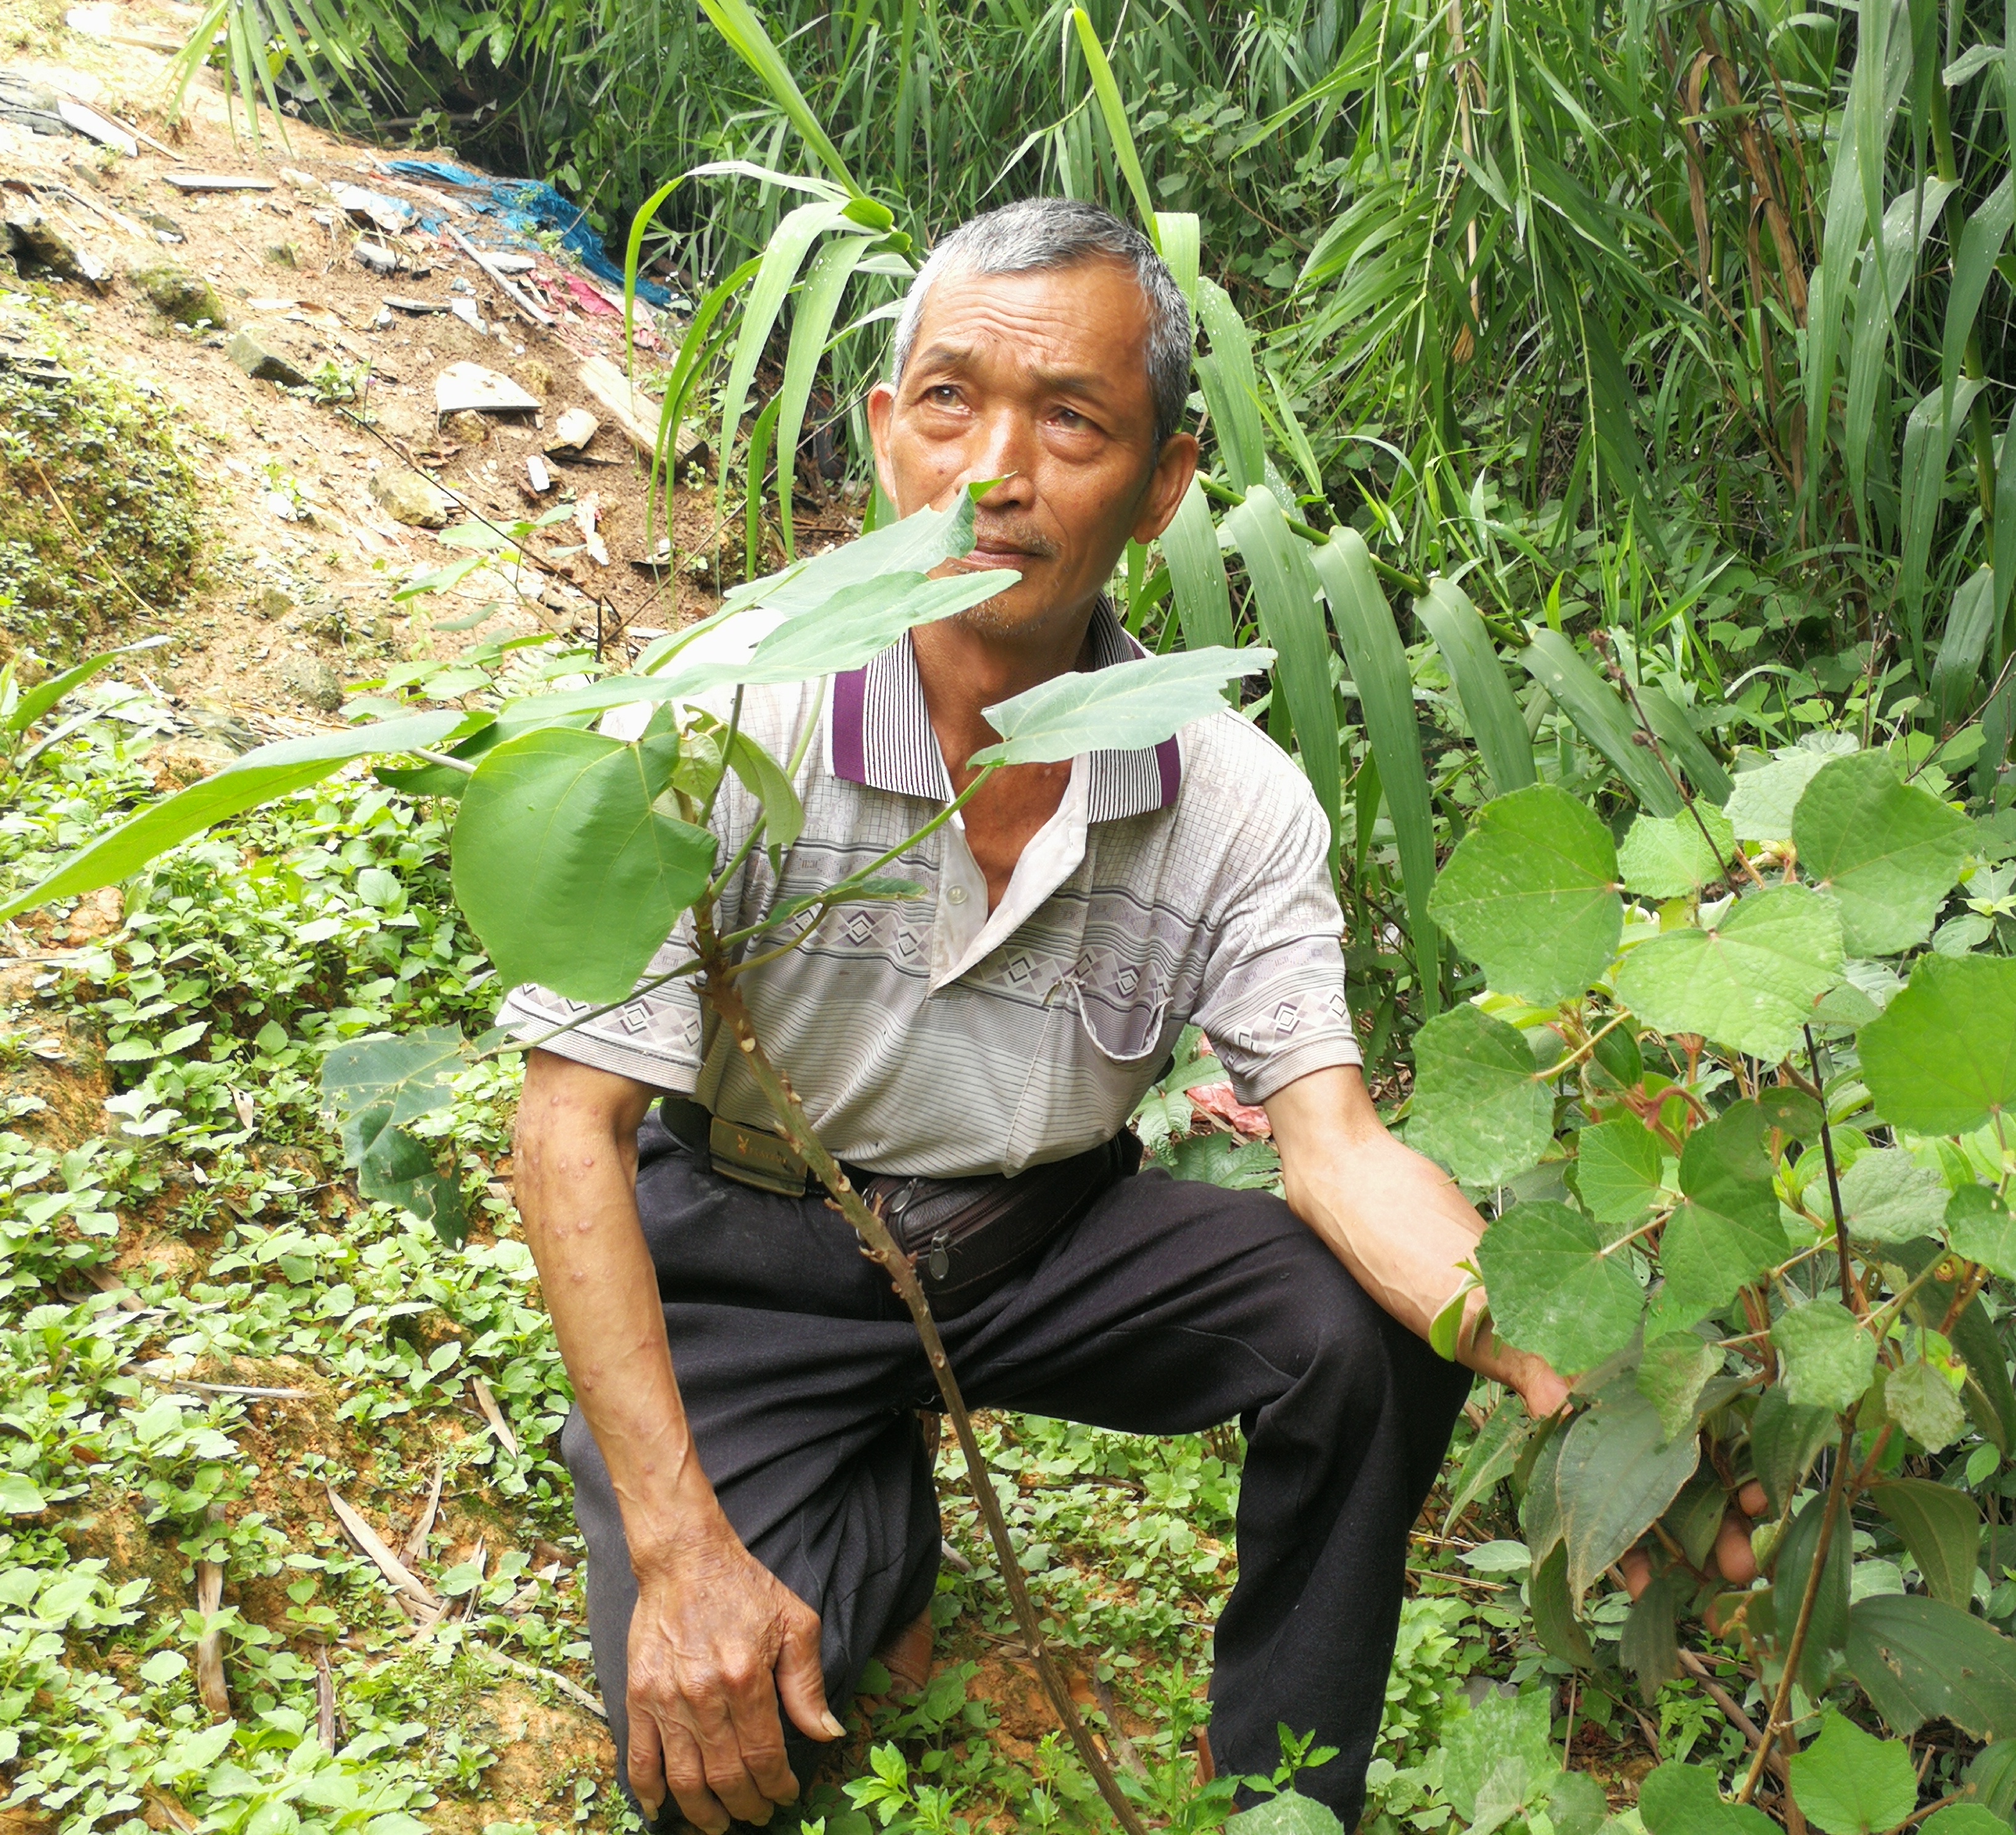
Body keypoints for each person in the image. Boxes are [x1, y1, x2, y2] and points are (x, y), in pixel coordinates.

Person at [505, 197, 1569, 1835]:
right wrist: (682, 1552)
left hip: (1047, 1243)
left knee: (1367, 1327)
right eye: (949, 401)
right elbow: (569, 1128)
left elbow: (1337, 1149)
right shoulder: (722, 713)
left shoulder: (1229, 796)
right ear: (884, 434)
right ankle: (870, 1511)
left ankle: (1288, 1795)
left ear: (1164, 483)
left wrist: (1544, 1347)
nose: (992, 471)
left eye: (1070, 420)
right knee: (729, 1760)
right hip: (757, 1250)